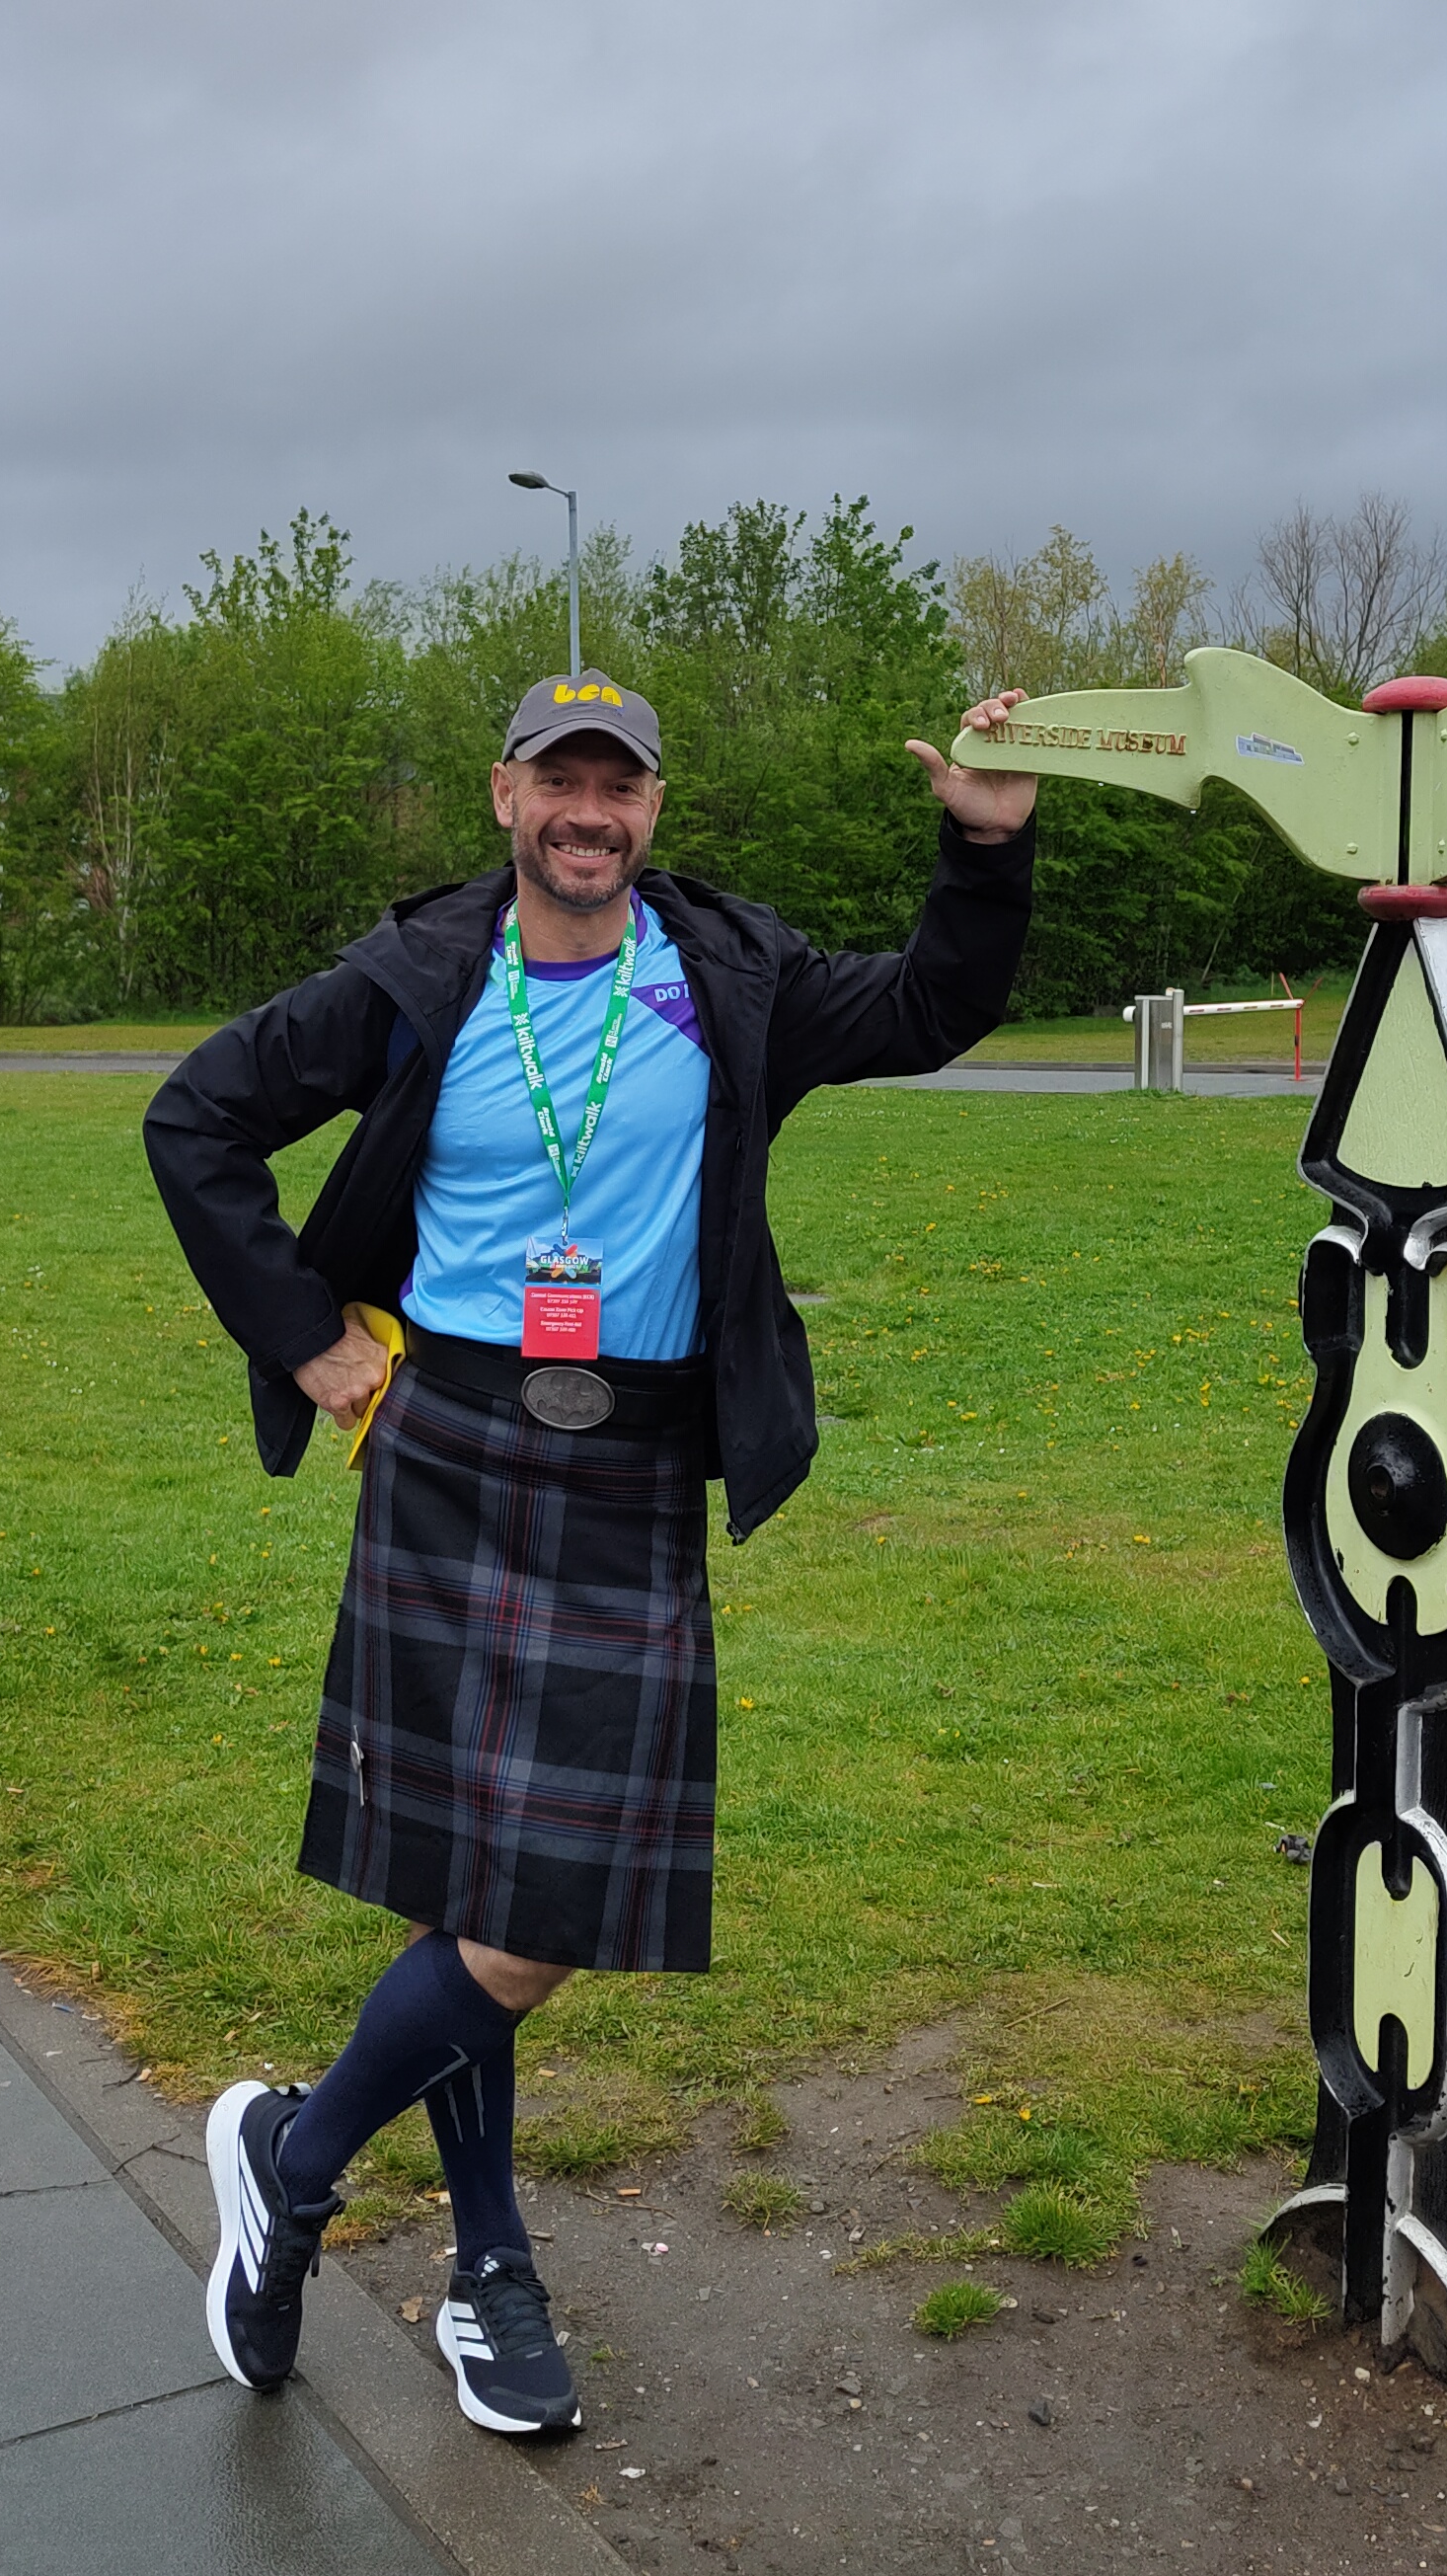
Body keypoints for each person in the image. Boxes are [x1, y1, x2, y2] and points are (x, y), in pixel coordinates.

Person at [143, 667, 1036, 2442]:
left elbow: (937, 1004)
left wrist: (985, 845)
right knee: (485, 1894)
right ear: (504, 799)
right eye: (559, 780)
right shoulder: (412, 987)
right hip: (449, 1437)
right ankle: (489, 2269)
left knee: (532, 1910)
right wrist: (313, 1340)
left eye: (617, 785)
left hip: (631, 1457)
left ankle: (291, 2158)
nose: (589, 812)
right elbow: (196, 1119)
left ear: (650, 809)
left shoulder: (730, 980)